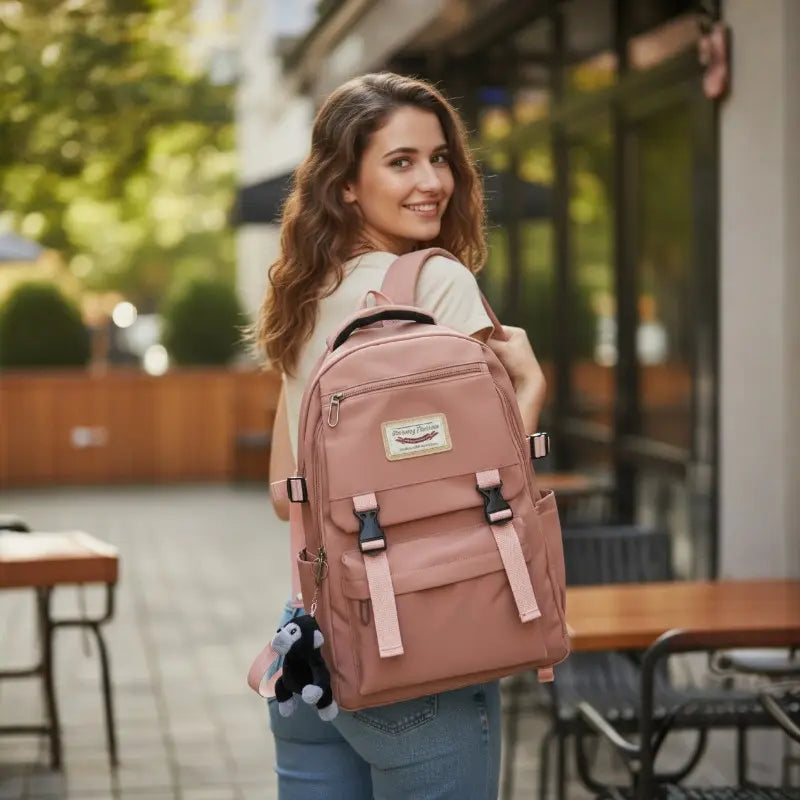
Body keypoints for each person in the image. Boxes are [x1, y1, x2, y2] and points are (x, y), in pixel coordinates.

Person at [254, 72, 547, 800]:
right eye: (402, 161)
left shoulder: (303, 292)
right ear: (346, 183)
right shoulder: (436, 285)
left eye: (441, 158)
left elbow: (285, 498)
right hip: (418, 662)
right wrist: (533, 390)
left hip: (311, 653)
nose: (433, 181)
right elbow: (493, 491)